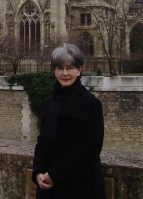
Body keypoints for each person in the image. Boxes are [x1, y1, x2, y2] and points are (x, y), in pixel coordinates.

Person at [32, 43, 106, 199]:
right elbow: (42, 143)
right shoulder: (48, 104)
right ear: (54, 71)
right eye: (60, 68)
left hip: (81, 186)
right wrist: (38, 171)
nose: (65, 73)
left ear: (79, 70)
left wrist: (54, 174)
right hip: (49, 188)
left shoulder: (91, 104)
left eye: (70, 68)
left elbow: (91, 148)